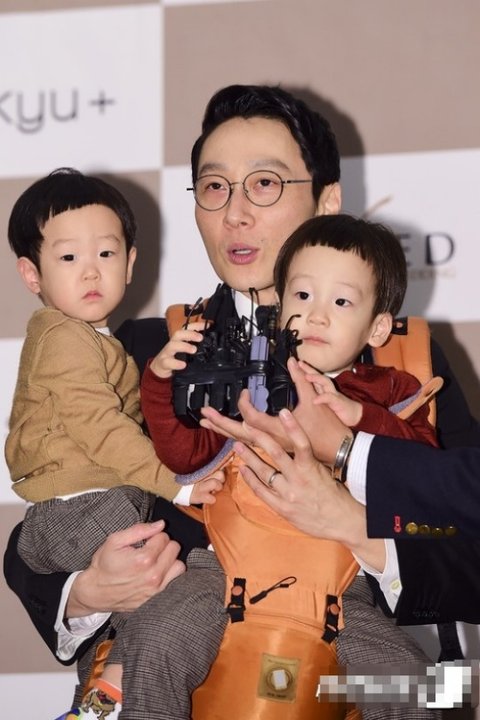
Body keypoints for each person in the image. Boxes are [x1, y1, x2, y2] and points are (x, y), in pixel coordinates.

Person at [3, 85, 478, 715]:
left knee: (430, 697)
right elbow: (49, 514)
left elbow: (466, 537)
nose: (236, 214)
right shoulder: (146, 349)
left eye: (265, 184)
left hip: (340, 683)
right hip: (186, 686)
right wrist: (86, 594)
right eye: (214, 187)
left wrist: (357, 527)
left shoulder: (405, 361)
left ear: (327, 200)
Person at [135, 212, 442, 718]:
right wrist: (159, 384)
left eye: (341, 302)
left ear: (379, 326)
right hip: (222, 576)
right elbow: (183, 455)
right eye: (302, 295)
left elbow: (425, 475)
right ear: (279, 308)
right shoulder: (248, 378)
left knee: (421, 686)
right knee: (153, 638)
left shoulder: (392, 391)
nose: (316, 315)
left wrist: (358, 420)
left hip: (343, 596)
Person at [4, 167, 225, 720]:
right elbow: (101, 432)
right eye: (68, 256)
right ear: (31, 273)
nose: (90, 270)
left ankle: (102, 705)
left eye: (105, 253)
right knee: (166, 559)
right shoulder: (113, 341)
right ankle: (104, 703)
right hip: (91, 517)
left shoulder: (391, 351)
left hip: (313, 641)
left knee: (404, 685)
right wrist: (82, 594)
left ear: (129, 262)